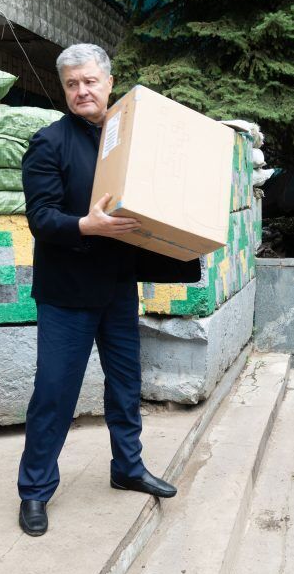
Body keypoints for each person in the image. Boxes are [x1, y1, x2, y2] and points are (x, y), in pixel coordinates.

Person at [17, 43, 197, 536]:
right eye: (72, 84)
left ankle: (128, 467)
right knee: (54, 393)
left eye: (90, 81)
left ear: (109, 83)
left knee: (126, 385)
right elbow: (41, 219)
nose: (82, 91)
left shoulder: (129, 141)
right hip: (66, 292)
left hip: (118, 285)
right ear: (64, 89)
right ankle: (34, 491)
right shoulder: (48, 143)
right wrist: (85, 226)